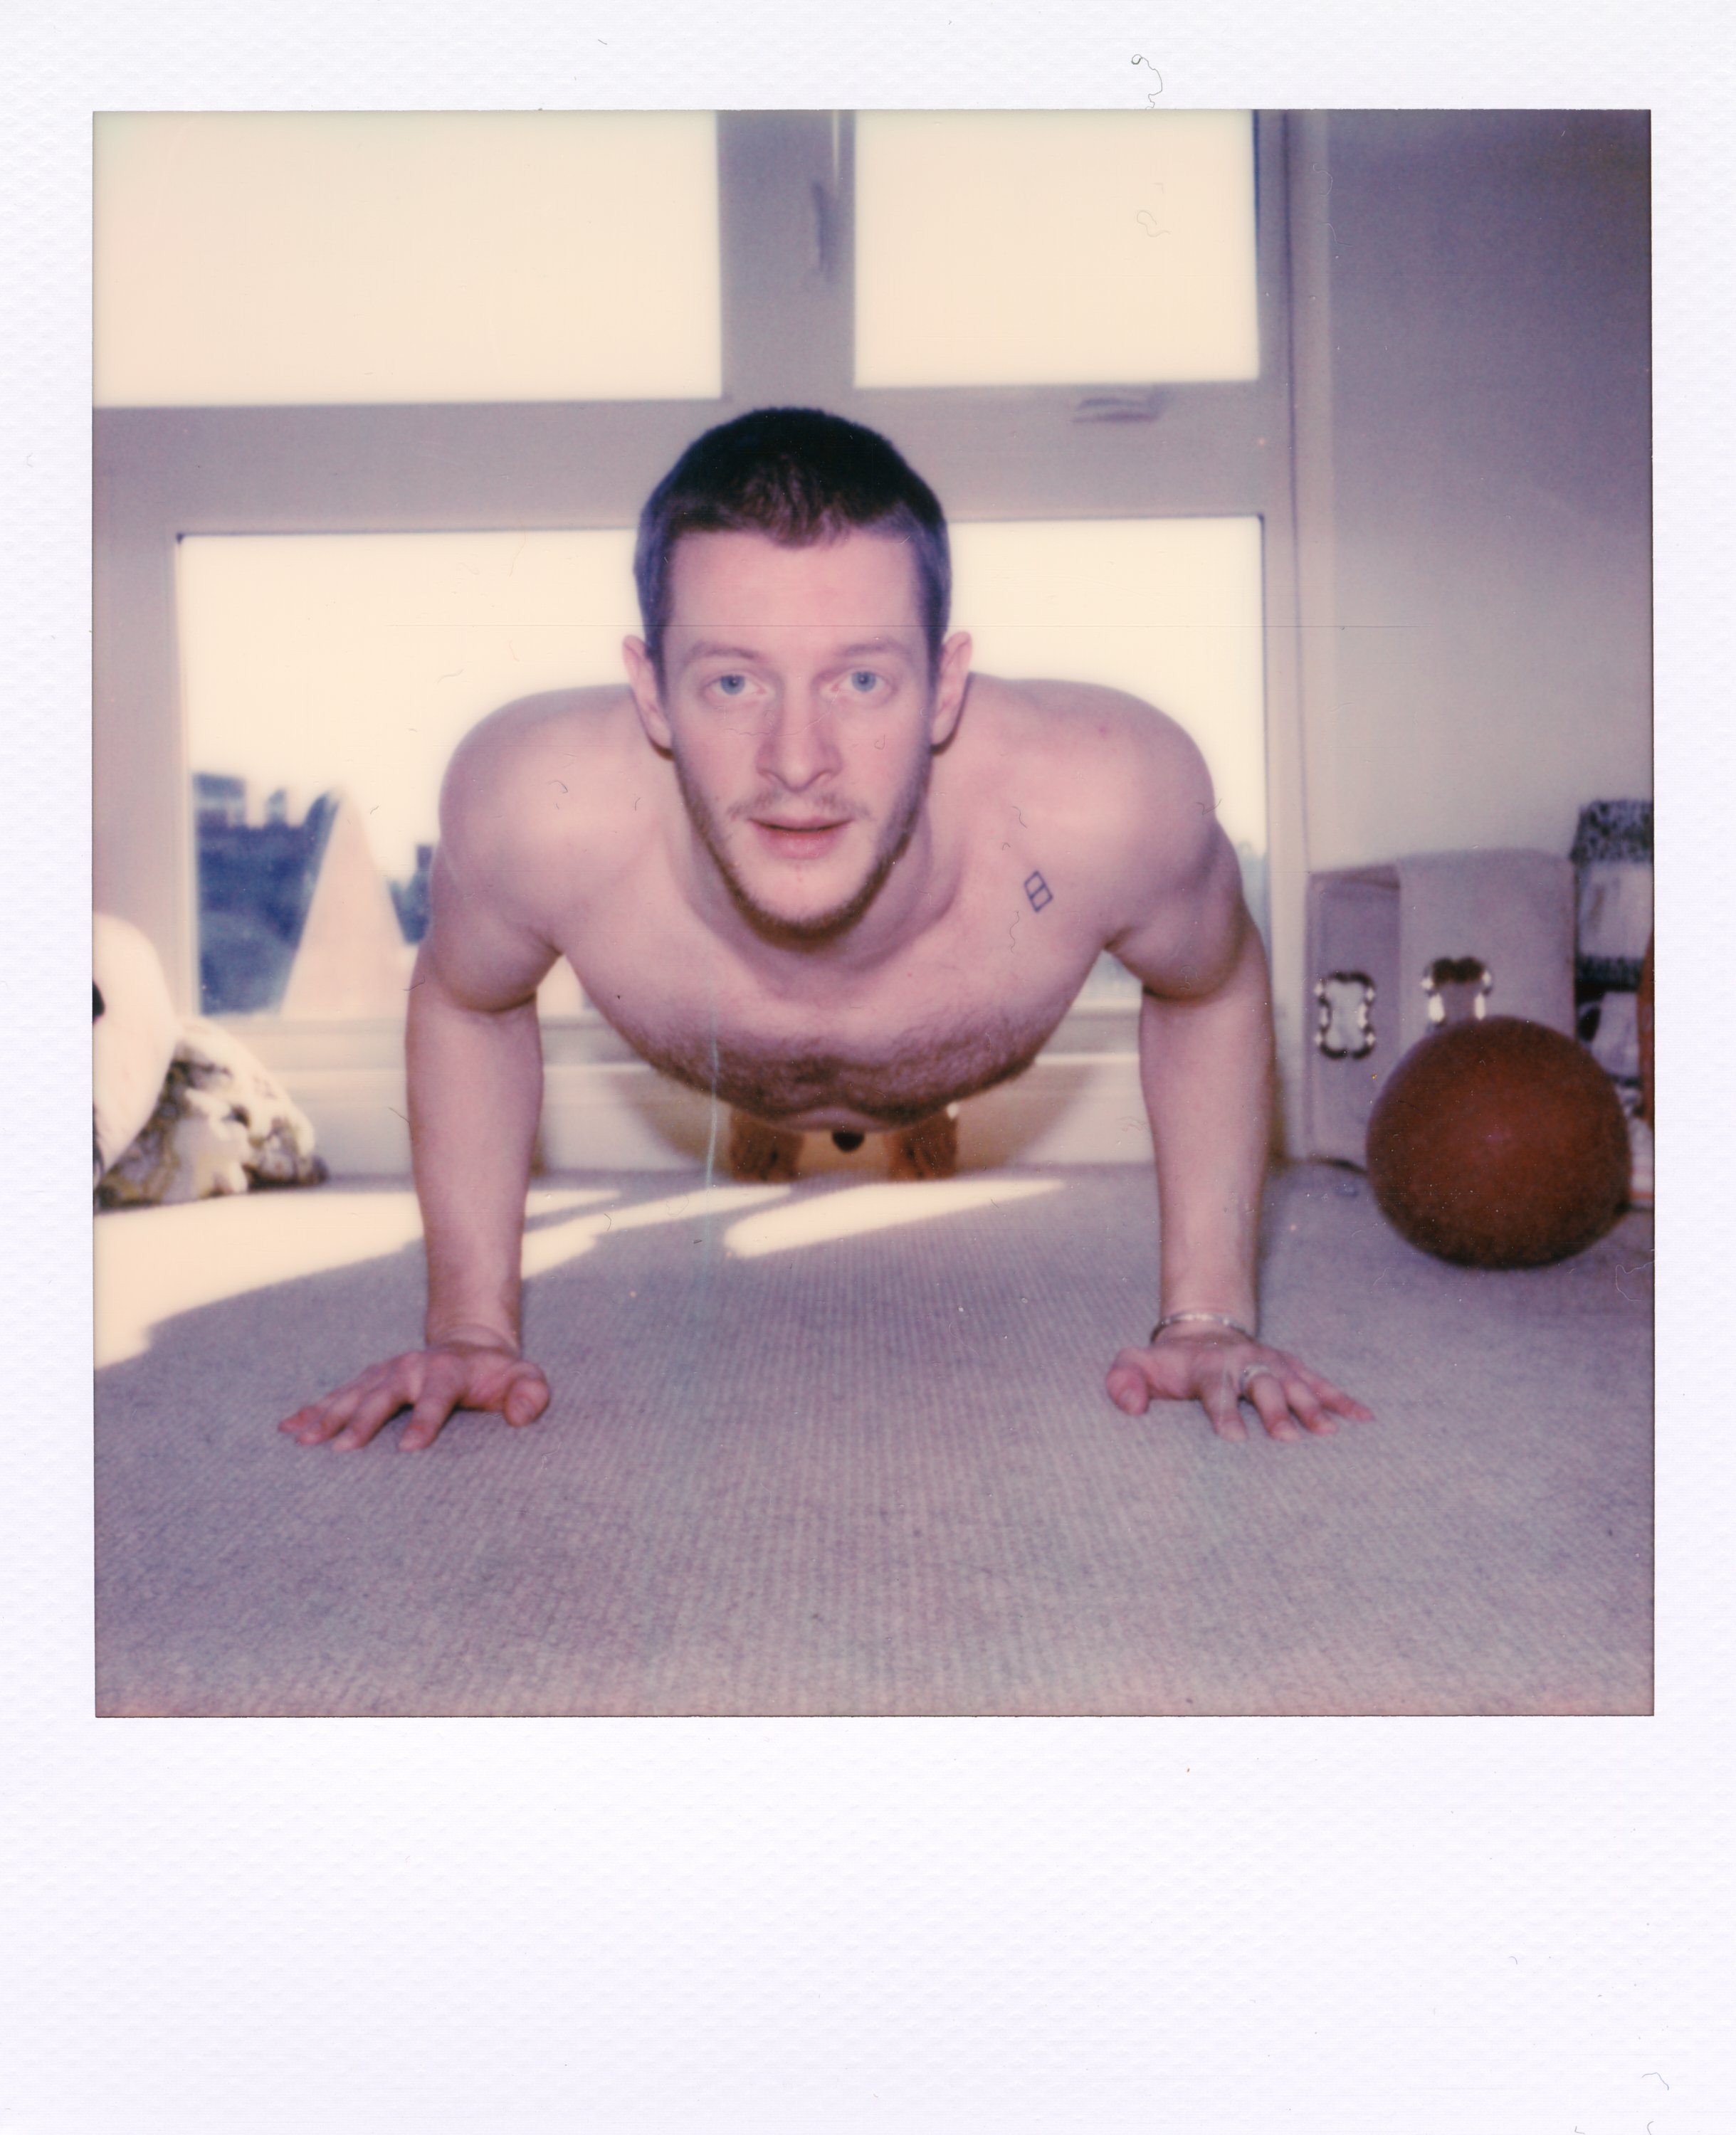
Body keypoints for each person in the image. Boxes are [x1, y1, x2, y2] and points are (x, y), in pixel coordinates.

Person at [281, 408, 1369, 1455]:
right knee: (773, 1104)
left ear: (946, 688)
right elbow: (470, 1002)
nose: (797, 760)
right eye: (732, 681)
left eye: (860, 679)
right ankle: (781, 1121)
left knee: (898, 1095)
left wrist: (1209, 1319)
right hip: (733, 1048)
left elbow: (1212, 989)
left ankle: (909, 1114)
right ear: (650, 693)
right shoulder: (534, 806)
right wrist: (469, 1329)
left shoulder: (1112, 800)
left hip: (948, 1005)